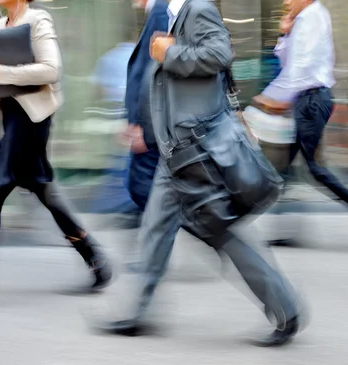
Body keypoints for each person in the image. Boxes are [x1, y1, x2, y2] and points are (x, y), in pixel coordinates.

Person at [94, 0, 302, 347]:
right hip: (175, 151)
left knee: (222, 232)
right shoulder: (177, 15)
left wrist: (170, 52)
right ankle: (135, 313)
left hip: (197, 152)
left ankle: (286, 308)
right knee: (155, 231)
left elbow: (219, 54)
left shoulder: (197, 8)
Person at [0, 0, 112, 304]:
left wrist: (0, 71)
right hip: (10, 122)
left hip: (30, 124)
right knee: (44, 191)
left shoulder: (38, 20)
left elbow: (50, 70)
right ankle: (96, 260)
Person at [260, 0, 348, 249]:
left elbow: (300, 67)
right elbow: (288, 60)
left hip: (311, 99)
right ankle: (286, 229)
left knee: (314, 168)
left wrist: (272, 96)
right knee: (286, 168)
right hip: (306, 99)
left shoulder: (312, 16)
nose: (286, 2)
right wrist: (284, 33)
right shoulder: (304, 19)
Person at [121, 0, 169, 270]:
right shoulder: (158, 11)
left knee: (141, 187)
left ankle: (210, 232)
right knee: (152, 189)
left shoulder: (162, 11)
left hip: (152, 122)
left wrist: (139, 123)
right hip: (153, 121)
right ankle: (153, 256)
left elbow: (153, 72)